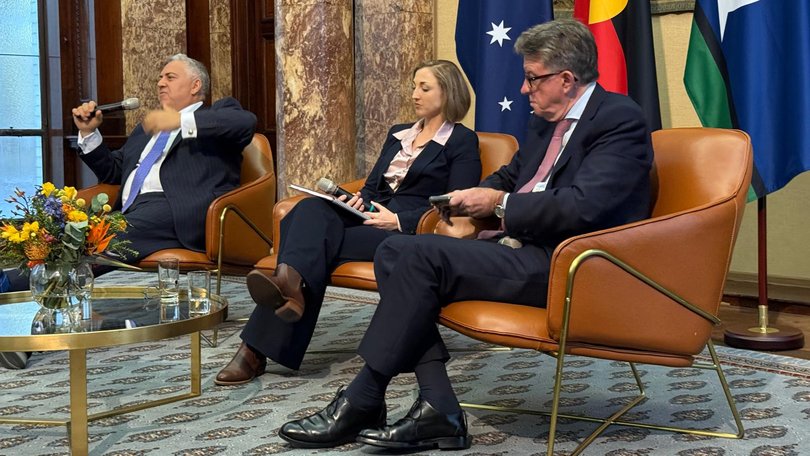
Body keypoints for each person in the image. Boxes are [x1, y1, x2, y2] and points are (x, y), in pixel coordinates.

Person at [277, 19, 654, 451]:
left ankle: (365, 400)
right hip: (519, 248)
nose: (525, 90)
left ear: (566, 79)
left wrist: (498, 207)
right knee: (398, 252)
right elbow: (510, 175)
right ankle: (437, 409)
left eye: (532, 79)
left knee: (410, 256)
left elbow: (585, 205)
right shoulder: (545, 124)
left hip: (570, 263)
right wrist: (467, 198)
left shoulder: (618, 119)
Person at [215, 60, 481, 386]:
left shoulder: (461, 141)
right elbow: (372, 187)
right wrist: (357, 202)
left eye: (424, 88)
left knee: (314, 249)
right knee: (310, 208)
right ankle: (289, 285)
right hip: (368, 217)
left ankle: (256, 344)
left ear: (448, 91)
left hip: (407, 232)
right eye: (414, 86)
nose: (414, 94)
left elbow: (456, 203)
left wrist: (399, 219)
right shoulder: (399, 133)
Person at [71, 53, 257, 262]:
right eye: (159, 78)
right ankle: (38, 284)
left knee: (99, 240)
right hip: (133, 210)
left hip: (179, 208)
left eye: (170, 77)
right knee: (65, 234)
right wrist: (88, 133)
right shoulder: (146, 129)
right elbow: (114, 172)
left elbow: (244, 123)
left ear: (195, 86)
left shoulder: (217, 114)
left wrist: (180, 120)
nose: (160, 83)